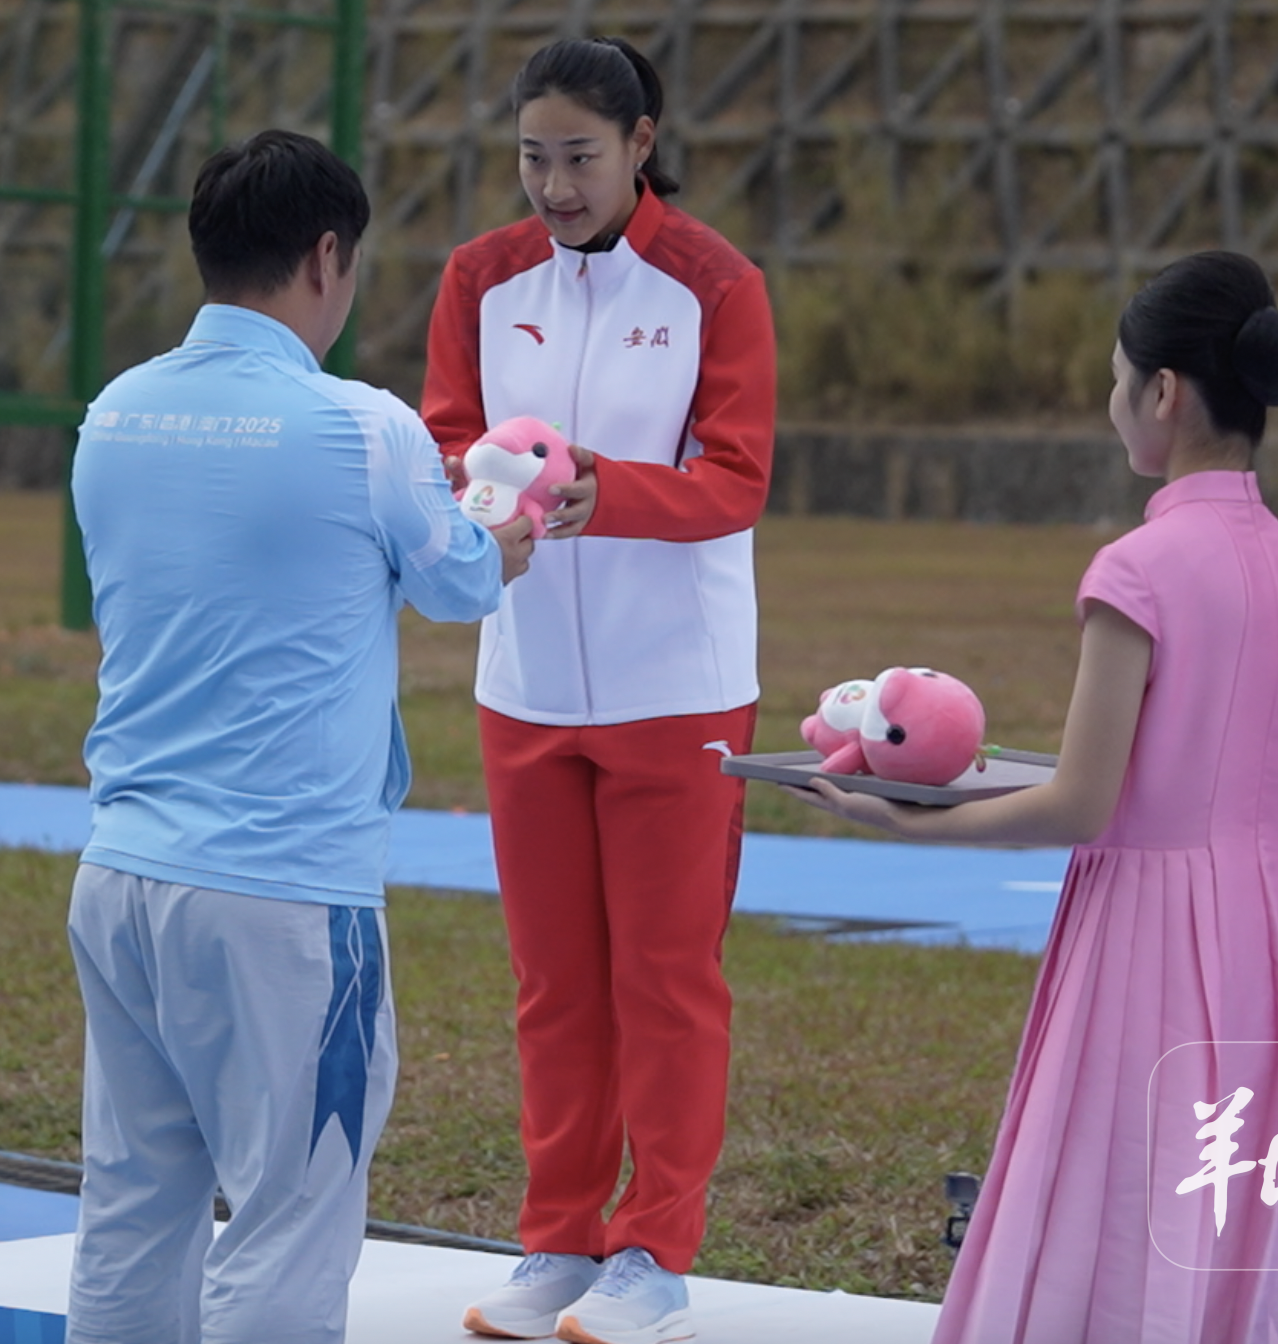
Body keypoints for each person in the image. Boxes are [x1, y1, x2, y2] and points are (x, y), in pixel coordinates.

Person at [794, 252, 1278, 1342]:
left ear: (1161, 393)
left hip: (1142, 932)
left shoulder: (1138, 568)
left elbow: (1084, 805)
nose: (1110, 406)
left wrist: (899, 819)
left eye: (1114, 381)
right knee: (1226, 1191)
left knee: (1119, 1192)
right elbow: (1259, 777)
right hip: (1261, 932)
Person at [64, 129, 531, 1344]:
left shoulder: (111, 415)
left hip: (120, 872)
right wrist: (513, 522)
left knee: (130, 1212)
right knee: (289, 1218)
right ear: (328, 256)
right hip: (284, 897)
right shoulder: (361, 427)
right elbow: (465, 580)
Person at [421, 36, 776, 1344]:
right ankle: (557, 1241)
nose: (553, 183)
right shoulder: (478, 275)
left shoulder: (712, 285)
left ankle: (655, 1254)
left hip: (673, 684)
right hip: (523, 677)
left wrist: (598, 491)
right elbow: (447, 432)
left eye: (578, 156)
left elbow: (735, 477)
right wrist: (487, 484)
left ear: (640, 143)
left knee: (666, 979)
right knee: (552, 980)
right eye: (531, 156)